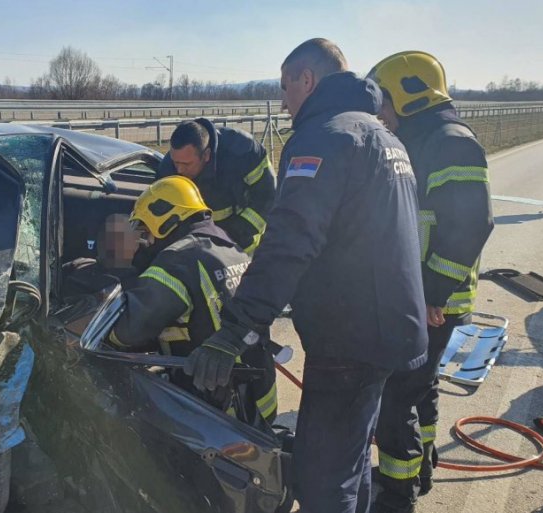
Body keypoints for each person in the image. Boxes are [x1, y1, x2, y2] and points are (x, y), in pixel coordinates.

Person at [183, 38, 428, 513]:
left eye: (285, 86)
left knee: (321, 483)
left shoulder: (324, 138)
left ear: (307, 80)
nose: (283, 102)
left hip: (351, 337)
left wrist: (235, 329)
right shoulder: (382, 136)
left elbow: (289, 242)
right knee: (350, 464)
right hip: (388, 328)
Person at [368, 51, 495, 513]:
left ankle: (396, 492)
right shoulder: (422, 139)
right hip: (422, 296)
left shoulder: (451, 142)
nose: (380, 112)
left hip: (433, 300)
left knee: (395, 395)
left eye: (383, 101)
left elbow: (472, 225)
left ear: (409, 95)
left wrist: (431, 294)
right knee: (419, 388)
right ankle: (422, 465)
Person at [109, 175, 277, 426]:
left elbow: (128, 331)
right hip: (261, 398)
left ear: (164, 220)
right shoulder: (227, 244)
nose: (147, 241)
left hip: (220, 413)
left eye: (146, 230)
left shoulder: (177, 262)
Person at [157, 118, 276, 254]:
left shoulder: (242, 151)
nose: (179, 170)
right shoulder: (167, 168)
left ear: (206, 155)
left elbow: (267, 197)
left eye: (186, 164)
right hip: (196, 247)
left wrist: (234, 235)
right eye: (176, 162)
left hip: (243, 245)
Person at [62, 213, 139, 296]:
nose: (110, 242)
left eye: (119, 237)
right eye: (106, 234)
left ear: (135, 245)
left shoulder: (138, 286)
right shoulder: (76, 265)